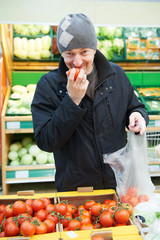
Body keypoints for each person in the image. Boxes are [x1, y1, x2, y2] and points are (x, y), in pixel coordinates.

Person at [31, 13, 149, 192]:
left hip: (119, 184)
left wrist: (138, 115)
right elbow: (46, 141)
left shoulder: (116, 75)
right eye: (69, 54)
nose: (77, 62)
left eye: (84, 52)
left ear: (95, 48)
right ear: (61, 53)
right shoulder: (48, 85)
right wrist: (72, 100)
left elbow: (135, 106)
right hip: (76, 189)